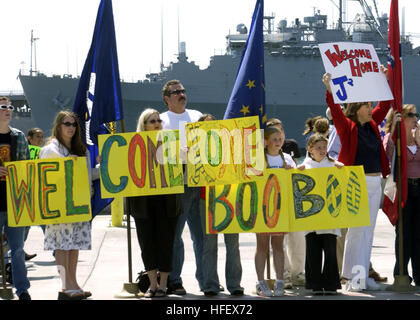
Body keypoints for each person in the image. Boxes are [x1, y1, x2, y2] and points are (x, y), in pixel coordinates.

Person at [322, 71, 391, 291]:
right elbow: (335, 111)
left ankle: (362, 276)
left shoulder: (372, 125)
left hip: (374, 181)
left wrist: (384, 79)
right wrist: (330, 90)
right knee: (356, 229)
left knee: (368, 230)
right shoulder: (347, 127)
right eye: (367, 105)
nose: (371, 108)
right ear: (357, 108)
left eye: (371, 105)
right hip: (355, 181)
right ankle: (351, 277)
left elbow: (386, 103)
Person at [39, 110, 96, 300]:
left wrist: (100, 167)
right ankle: (65, 285)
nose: (71, 127)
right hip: (59, 204)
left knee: (74, 245)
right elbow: (48, 170)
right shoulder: (51, 148)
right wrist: (66, 162)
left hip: (78, 203)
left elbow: (87, 175)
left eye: (74, 124)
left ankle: (74, 283)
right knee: (62, 245)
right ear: (58, 126)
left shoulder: (81, 149)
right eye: (67, 124)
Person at [128, 108, 180, 298]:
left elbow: (180, 169)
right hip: (143, 204)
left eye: (158, 120)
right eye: (152, 121)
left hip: (166, 202)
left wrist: (184, 155)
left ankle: (164, 284)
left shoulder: (171, 144)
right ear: (144, 125)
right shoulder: (131, 145)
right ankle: (152, 284)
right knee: (147, 245)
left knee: (166, 243)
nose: (157, 123)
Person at [160, 80, 204, 295]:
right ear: (167, 98)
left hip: (200, 183)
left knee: (202, 236)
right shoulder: (161, 120)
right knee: (175, 236)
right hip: (177, 185)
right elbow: (155, 153)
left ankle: (207, 281)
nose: (181, 94)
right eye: (176, 92)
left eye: (183, 91)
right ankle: (175, 280)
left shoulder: (197, 116)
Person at [198, 113, 244, 297]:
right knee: (209, 244)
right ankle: (210, 284)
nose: (212, 128)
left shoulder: (230, 146)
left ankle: (235, 284)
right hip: (206, 198)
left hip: (229, 196)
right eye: (207, 126)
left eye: (215, 124)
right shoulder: (196, 148)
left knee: (233, 243)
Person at [298, 133, 343, 295]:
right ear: (310, 149)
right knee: (313, 251)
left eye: (324, 147)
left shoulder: (333, 165)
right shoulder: (305, 166)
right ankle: (315, 283)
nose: (322, 150)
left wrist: (341, 169)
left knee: (330, 251)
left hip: (329, 219)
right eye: (318, 148)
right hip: (312, 219)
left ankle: (331, 284)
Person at [255, 126, 294, 297]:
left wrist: (291, 172)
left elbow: (296, 179)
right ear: (266, 141)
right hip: (262, 209)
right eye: (275, 139)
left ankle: (280, 281)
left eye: (280, 139)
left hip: (281, 208)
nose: (278, 142)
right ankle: (260, 282)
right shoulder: (258, 159)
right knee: (262, 245)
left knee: (278, 246)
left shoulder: (287, 159)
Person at [383, 104, 420, 286]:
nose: (415, 118)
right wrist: (395, 131)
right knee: (404, 232)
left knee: (419, 233)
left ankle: (419, 275)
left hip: (419, 186)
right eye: (411, 115)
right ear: (402, 118)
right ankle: (401, 273)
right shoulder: (394, 139)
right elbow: (389, 154)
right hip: (404, 189)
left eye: (416, 114)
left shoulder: (418, 137)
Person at [266, 118, 305, 288]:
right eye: (274, 132)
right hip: (272, 207)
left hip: (290, 204)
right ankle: (285, 274)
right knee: (278, 243)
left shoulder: (288, 158)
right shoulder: (261, 158)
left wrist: (295, 171)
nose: (278, 136)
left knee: (297, 240)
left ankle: (298, 273)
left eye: (281, 132)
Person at [0, 96, 31, 300]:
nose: (8, 109)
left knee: (18, 249)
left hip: (14, 202)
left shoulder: (19, 136)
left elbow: (28, 168)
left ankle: (22, 290)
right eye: (3, 106)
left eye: (10, 106)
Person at [23, 127, 45, 261]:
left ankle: (56, 250)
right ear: (29, 139)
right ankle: (17, 250)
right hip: (27, 194)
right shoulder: (24, 152)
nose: (40, 139)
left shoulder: (44, 152)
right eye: (37, 136)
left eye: (42, 136)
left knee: (44, 223)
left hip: (40, 193)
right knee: (25, 226)